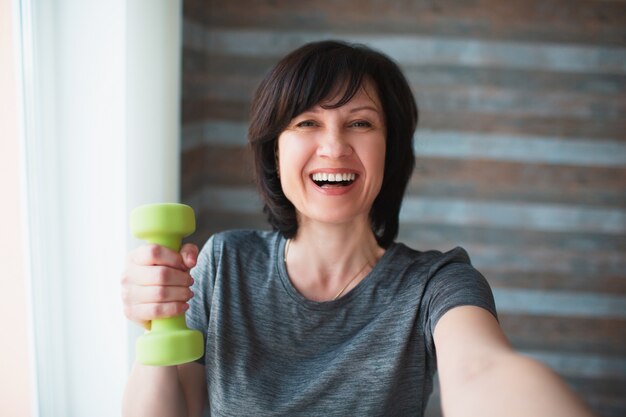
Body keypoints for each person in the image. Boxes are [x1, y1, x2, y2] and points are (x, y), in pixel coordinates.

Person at [121, 40, 594, 417]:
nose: (334, 146)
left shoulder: (438, 284)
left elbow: (480, 369)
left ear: (390, 150)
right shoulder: (224, 263)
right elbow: (173, 408)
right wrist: (157, 324)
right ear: (275, 152)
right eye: (307, 122)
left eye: (360, 123)